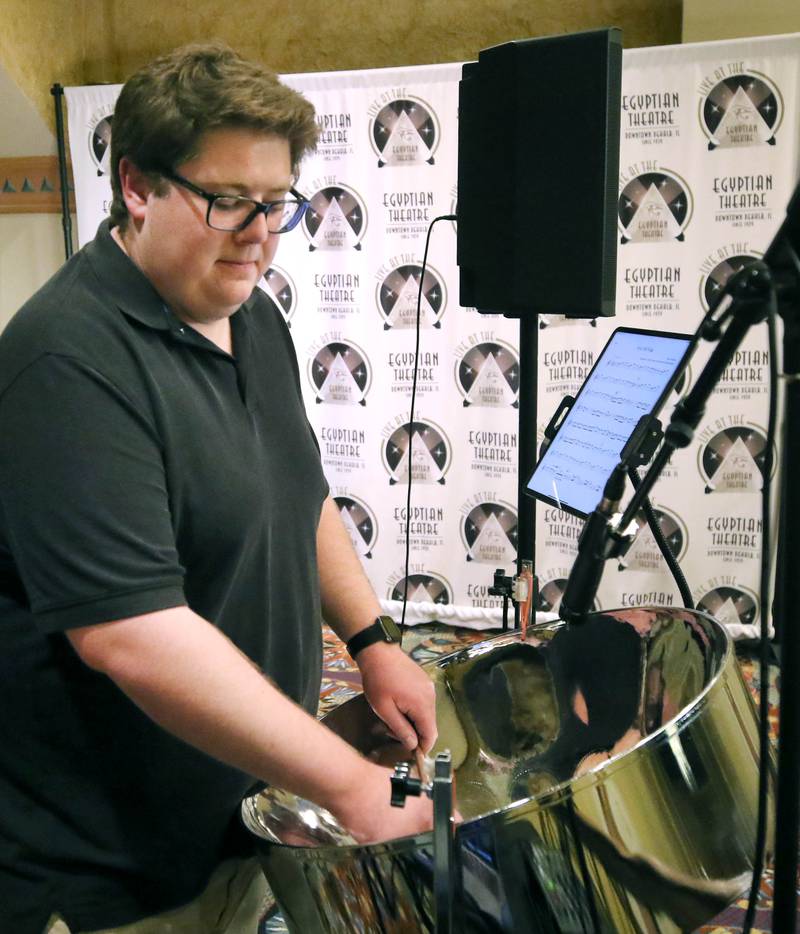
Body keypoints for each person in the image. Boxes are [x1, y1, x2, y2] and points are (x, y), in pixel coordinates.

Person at [0, 43, 436, 934]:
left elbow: (298, 495)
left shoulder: (254, 317)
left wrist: (373, 639)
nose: (262, 233)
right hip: (113, 875)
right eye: (228, 201)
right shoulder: (65, 363)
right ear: (136, 186)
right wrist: (351, 783)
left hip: (240, 819)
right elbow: (134, 638)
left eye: (277, 203)